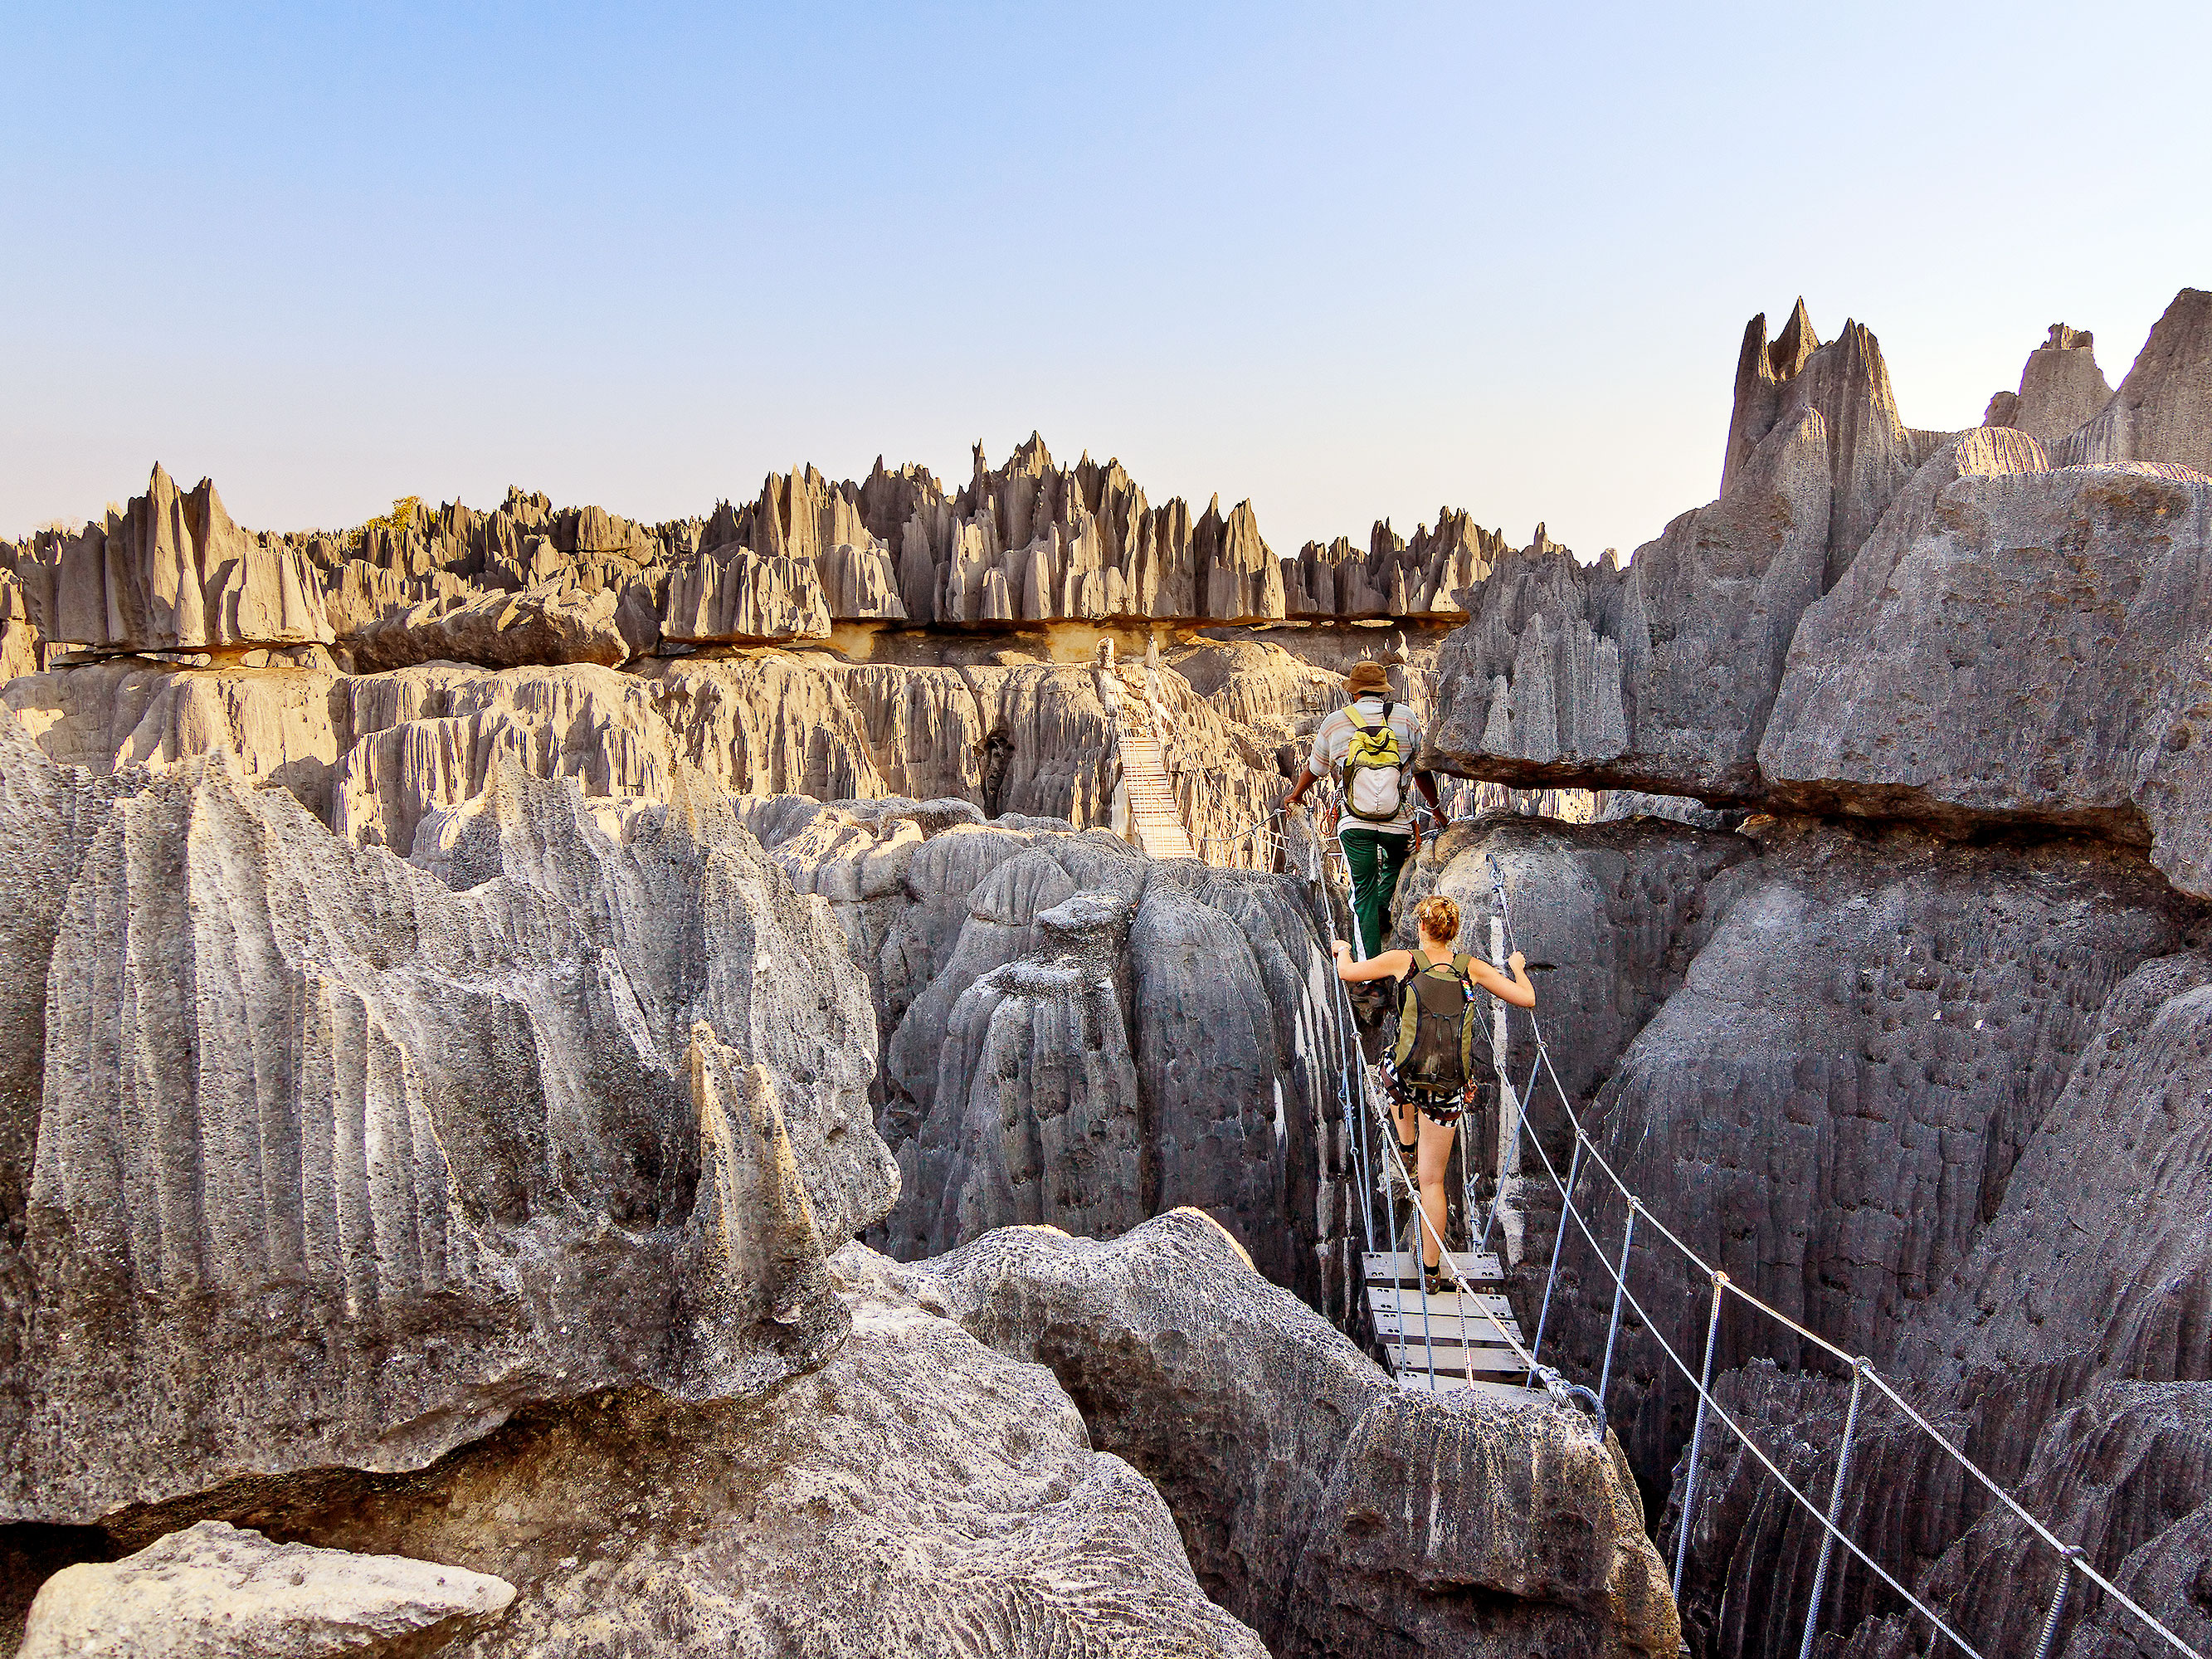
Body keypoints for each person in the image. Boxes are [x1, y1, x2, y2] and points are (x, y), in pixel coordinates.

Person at [1333, 893, 1535, 1294]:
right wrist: (1517, 968)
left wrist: (1343, 949)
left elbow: (1348, 973)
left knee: (1388, 1068)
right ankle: (1430, 1272)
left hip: (1408, 1076)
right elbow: (1526, 998)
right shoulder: (1471, 968)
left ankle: (1405, 1145)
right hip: (1447, 1090)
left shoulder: (1402, 960)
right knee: (1433, 1184)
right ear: (1454, 932)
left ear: (1422, 928)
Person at [1284, 661, 1439, 961]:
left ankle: (1371, 979)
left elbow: (1315, 769)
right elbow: (1421, 771)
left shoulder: (1335, 722)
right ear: (1383, 692)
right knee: (1397, 861)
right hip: (1399, 821)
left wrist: (1297, 795)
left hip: (1355, 824)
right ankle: (1384, 906)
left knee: (1362, 896)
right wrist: (1436, 810)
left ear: (1354, 693)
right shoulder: (1406, 718)